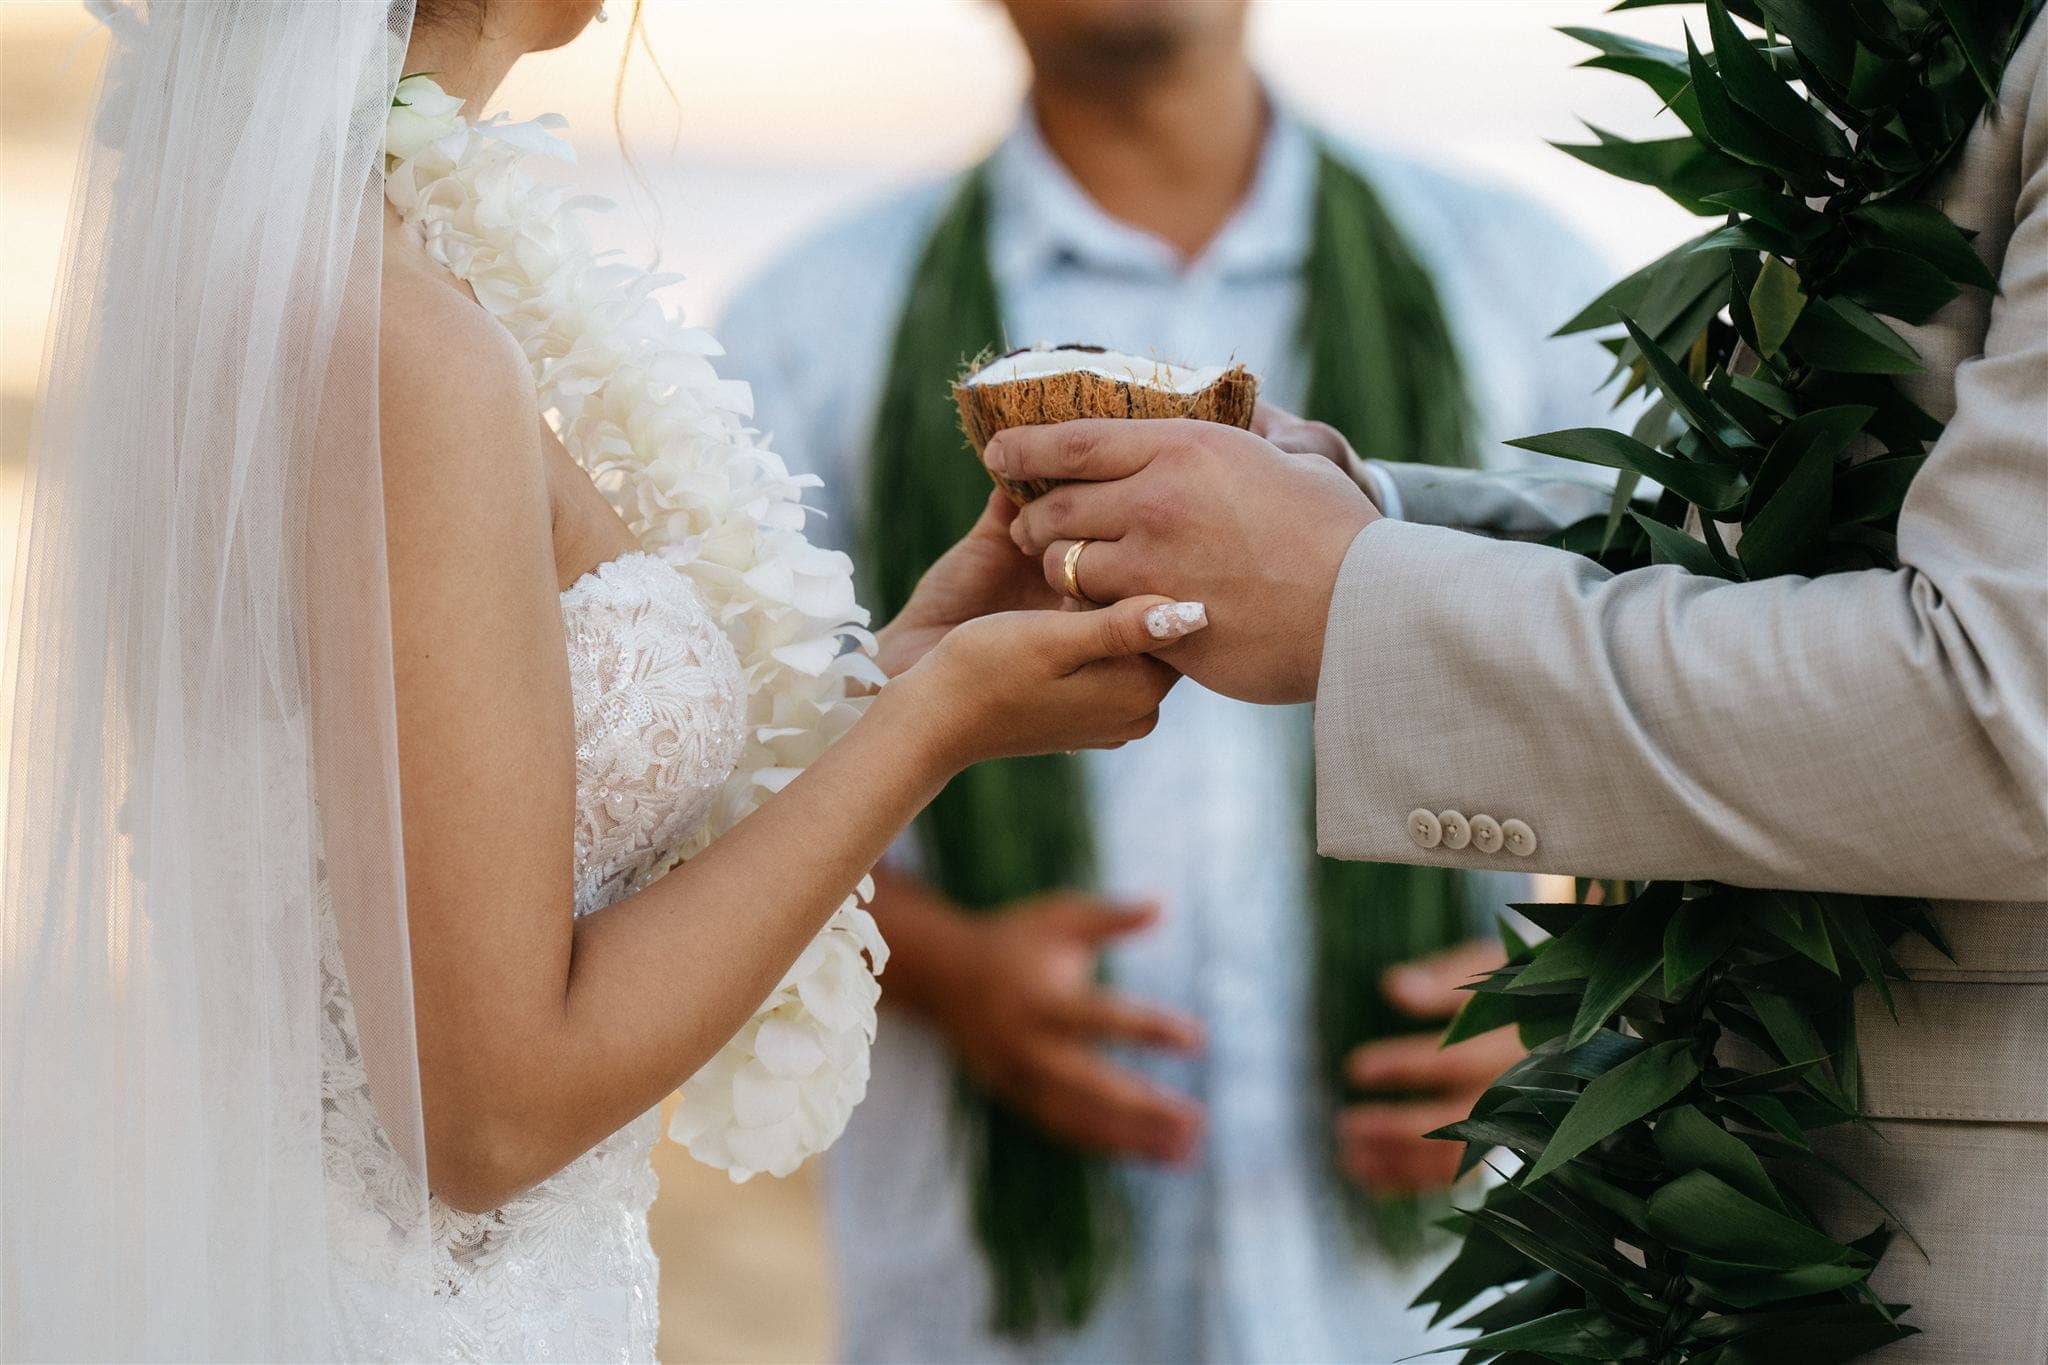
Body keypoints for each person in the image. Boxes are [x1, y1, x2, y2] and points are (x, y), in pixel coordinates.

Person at [0, 3, 1197, 1360]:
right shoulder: (399, 348)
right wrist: (936, 726)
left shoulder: (319, 280)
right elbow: (491, 1114)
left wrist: (907, 666)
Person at [985, 15, 2048, 1365]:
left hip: (1966, 1263)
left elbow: (2011, 710)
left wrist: (1361, 601)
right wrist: (1365, 523)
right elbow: (1797, 566)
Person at [717, 2, 1615, 1358]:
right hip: (990, 1287)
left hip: (1425, 1301)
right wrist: (946, 968)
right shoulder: (805, 328)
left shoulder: (1519, 277)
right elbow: (718, 780)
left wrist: (1573, 991)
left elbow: (1651, 675)